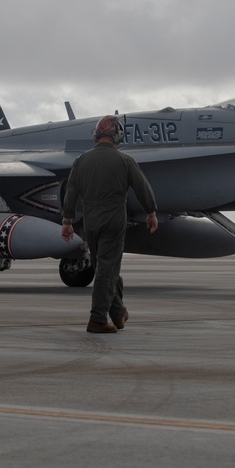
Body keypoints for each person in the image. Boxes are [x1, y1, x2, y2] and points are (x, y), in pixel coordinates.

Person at [61, 115, 159, 333]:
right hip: (113, 220)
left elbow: (71, 192)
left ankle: (118, 313)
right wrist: (151, 212)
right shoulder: (125, 161)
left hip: (91, 222)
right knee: (107, 269)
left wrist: (67, 221)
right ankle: (97, 319)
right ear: (117, 135)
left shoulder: (81, 161)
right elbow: (143, 188)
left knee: (105, 268)